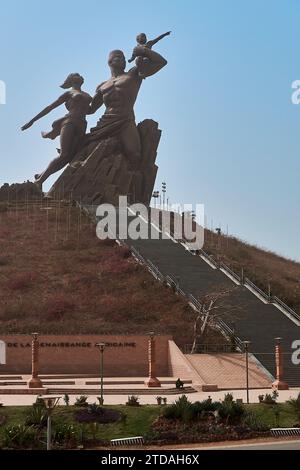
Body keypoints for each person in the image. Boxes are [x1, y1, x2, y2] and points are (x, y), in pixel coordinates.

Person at [86, 47, 167, 166]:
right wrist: (76, 103)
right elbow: (91, 109)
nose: (123, 60)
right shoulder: (102, 86)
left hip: (125, 120)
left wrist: (144, 51)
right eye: (119, 57)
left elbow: (161, 62)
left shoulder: (134, 74)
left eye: (124, 58)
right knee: (88, 149)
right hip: (105, 121)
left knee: (134, 154)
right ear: (110, 62)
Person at [21, 73, 93, 190]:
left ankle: (41, 174)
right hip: (69, 122)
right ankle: (39, 181)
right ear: (71, 80)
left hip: (82, 124)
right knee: (64, 154)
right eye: (76, 75)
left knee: (68, 158)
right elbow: (50, 107)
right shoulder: (69, 93)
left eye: (80, 75)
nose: (80, 76)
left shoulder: (87, 95)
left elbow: (90, 110)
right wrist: (32, 120)